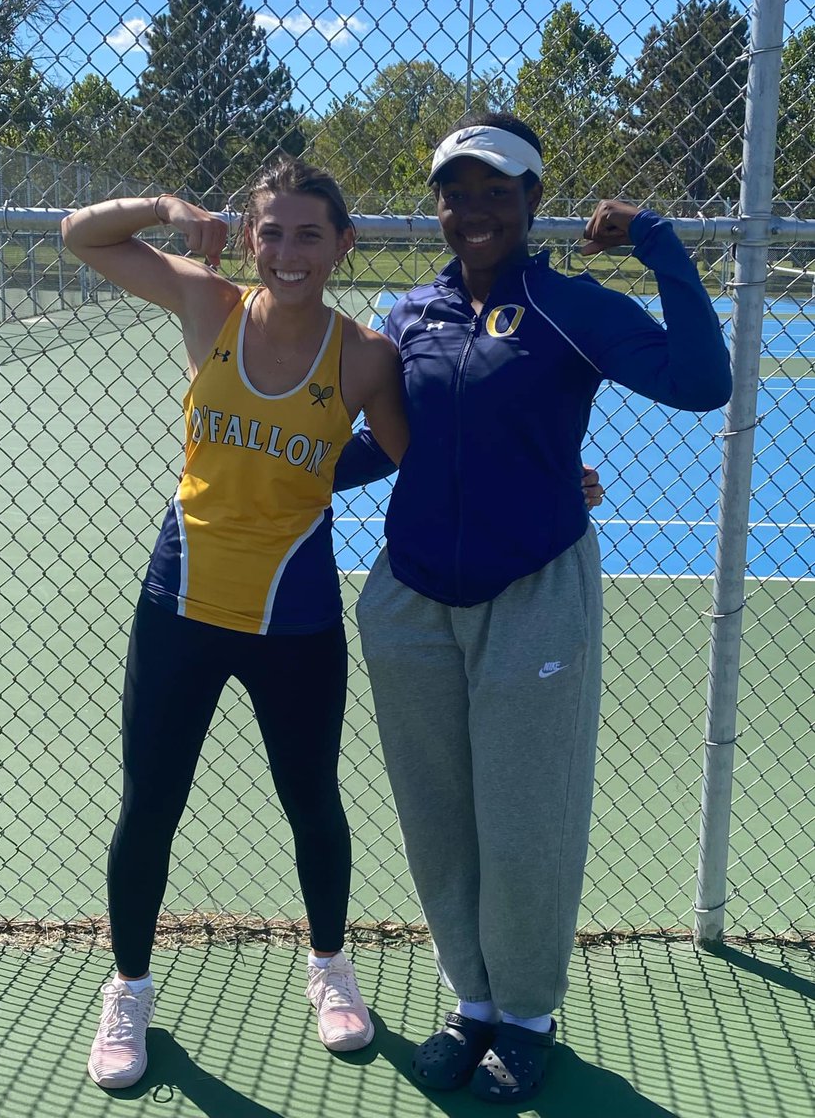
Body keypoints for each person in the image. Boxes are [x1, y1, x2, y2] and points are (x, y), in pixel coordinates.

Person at [333, 112, 732, 1105]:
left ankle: (528, 1016)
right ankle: (471, 1003)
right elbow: (388, 445)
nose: (472, 209)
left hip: (534, 594)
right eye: (455, 191)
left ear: (533, 201)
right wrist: (274, 480)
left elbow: (702, 381)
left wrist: (656, 240)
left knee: (524, 824)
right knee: (438, 820)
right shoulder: (409, 315)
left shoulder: (568, 307)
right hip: (409, 599)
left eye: (495, 190)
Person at [61, 157, 410, 1089]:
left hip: (295, 621)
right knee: (151, 805)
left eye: (308, 234)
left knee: (311, 801)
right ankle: (128, 989)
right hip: (179, 606)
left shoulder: (367, 356)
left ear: (342, 244)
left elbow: (423, 452)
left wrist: (552, 482)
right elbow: (81, 234)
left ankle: (330, 968)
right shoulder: (207, 305)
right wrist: (169, 207)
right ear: (248, 237)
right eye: (271, 232)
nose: (287, 252)